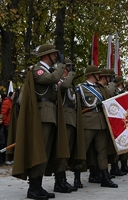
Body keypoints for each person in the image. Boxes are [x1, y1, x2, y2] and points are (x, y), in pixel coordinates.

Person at [12, 44, 69, 199]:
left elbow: (61, 85)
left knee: (45, 152)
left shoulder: (48, 71)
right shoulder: (38, 70)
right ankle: (33, 188)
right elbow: (53, 79)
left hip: (50, 115)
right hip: (43, 115)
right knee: (39, 151)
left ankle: (38, 185)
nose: (57, 57)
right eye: (54, 54)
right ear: (46, 56)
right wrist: (62, 65)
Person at [77, 66, 118, 188]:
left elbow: (109, 96)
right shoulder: (81, 88)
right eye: (97, 74)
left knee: (102, 151)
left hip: (101, 123)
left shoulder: (100, 89)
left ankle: (105, 177)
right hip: (88, 122)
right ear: (92, 75)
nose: (99, 76)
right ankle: (77, 178)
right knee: (82, 150)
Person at [59, 58, 86, 190]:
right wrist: (69, 75)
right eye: (66, 68)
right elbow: (63, 87)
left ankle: (64, 179)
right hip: (65, 120)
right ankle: (60, 180)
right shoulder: (60, 81)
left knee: (70, 151)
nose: (68, 71)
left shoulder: (71, 85)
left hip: (73, 120)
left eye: (69, 68)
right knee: (63, 151)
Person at [1, 91, 14, 165]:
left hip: (10, 124)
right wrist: (6, 123)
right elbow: (4, 113)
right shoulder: (7, 102)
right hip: (7, 124)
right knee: (7, 141)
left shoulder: (10, 102)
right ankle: (6, 158)